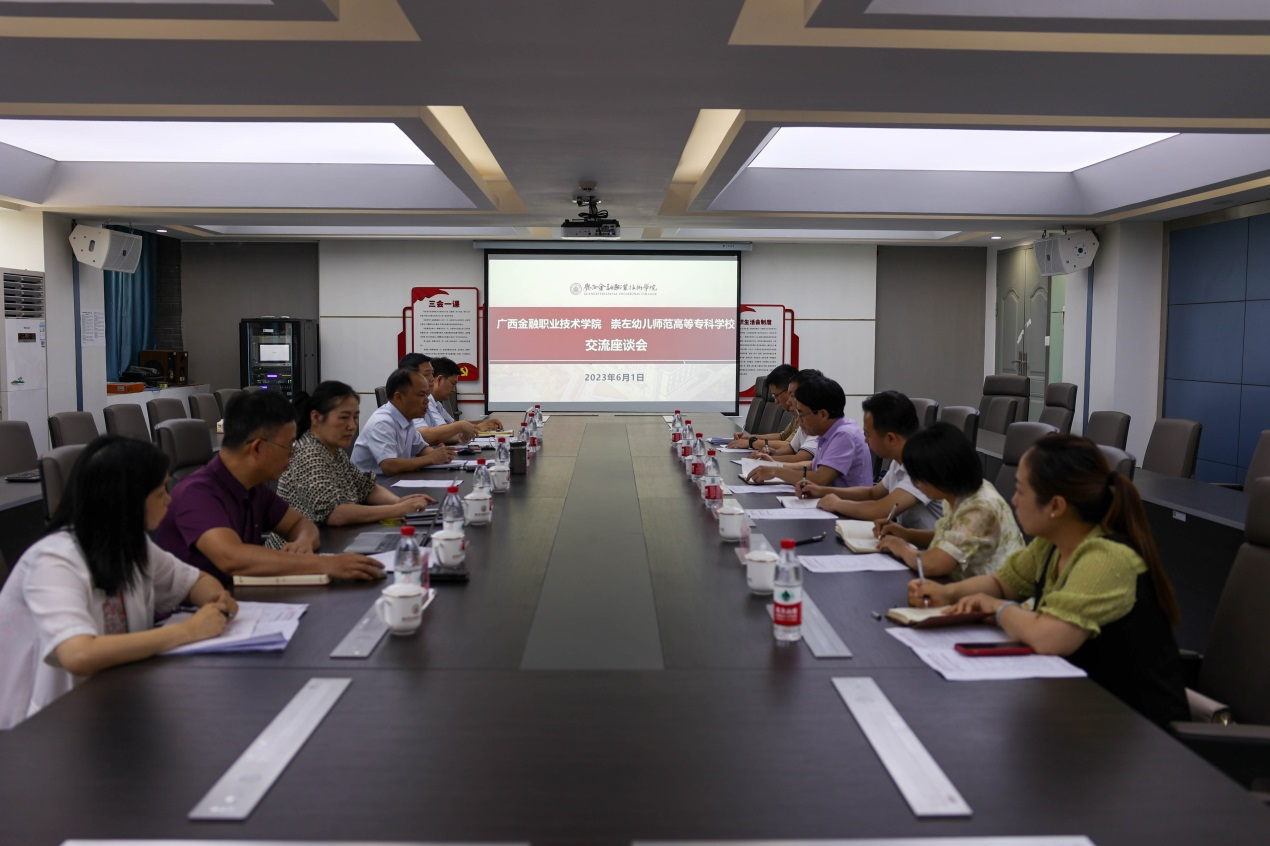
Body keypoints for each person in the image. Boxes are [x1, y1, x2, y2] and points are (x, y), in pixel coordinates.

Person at [910, 434, 1188, 726]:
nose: (1013, 500)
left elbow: (1050, 638)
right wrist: (948, 594)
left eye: (1020, 491)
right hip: (1081, 711)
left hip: (1138, 730)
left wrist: (997, 608)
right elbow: (1002, 584)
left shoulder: (1106, 558)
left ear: (1055, 506)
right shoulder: (1052, 545)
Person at [0, 436, 237, 729]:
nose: (168, 499)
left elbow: (195, 581)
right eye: (159, 491)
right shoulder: (53, 560)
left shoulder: (129, 543)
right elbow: (79, 654)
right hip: (37, 728)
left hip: (109, 703)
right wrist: (188, 630)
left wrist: (215, 599)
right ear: (128, 500)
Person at [154, 390, 386, 588]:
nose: (293, 454)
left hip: (242, 599)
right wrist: (325, 564)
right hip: (192, 614)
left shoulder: (254, 488)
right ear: (257, 448)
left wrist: (303, 542)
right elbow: (232, 558)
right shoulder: (196, 493)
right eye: (288, 446)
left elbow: (300, 524)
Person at [267, 380, 437, 546]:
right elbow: (336, 514)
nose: (352, 426)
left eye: (355, 417)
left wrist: (397, 501)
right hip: (294, 552)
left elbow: (366, 487)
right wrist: (397, 510)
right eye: (344, 418)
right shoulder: (308, 453)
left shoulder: (333, 450)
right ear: (316, 418)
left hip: (328, 541)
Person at [876, 422, 1023, 580]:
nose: (916, 484)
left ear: (941, 473)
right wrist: (907, 534)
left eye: (918, 478)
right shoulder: (957, 493)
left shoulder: (980, 508)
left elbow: (933, 564)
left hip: (991, 592)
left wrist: (901, 547)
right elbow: (951, 539)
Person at [800, 390, 943, 530]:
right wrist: (820, 491)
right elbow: (872, 493)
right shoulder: (900, 459)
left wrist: (836, 504)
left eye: (868, 434)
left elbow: (879, 510)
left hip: (932, 544)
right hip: (906, 538)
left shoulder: (922, 464)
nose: (865, 440)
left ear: (891, 438)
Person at [744, 374, 871, 488]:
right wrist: (774, 465)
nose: (799, 420)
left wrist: (776, 471)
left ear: (822, 414)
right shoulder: (828, 433)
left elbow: (820, 478)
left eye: (802, 414)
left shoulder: (844, 435)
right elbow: (812, 465)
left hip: (845, 505)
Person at [352, 367, 459, 474]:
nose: (427, 401)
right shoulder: (382, 422)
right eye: (421, 395)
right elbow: (389, 465)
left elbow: (422, 449)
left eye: (427, 395)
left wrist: (440, 454)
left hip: (394, 480)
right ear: (399, 397)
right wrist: (431, 458)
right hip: (372, 483)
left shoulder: (407, 419)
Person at [399, 352, 477, 446]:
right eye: (427, 374)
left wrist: (460, 437)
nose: (432, 379)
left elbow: (429, 439)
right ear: (409, 377)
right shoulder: (410, 405)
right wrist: (460, 426)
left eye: (432, 374)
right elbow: (425, 436)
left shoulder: (424, 400)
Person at [727, 364, 801, 452]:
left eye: (776, 395)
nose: (776, 401)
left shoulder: (805, 414)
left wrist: (751, 443)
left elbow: (789, 445)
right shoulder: (796, 414)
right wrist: (750, 437)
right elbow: (782, 436)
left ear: (789, 390)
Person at [425, 355, 504, 434]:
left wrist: (485, 423)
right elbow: (444, 432)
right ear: (439, 379)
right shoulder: (427, 402)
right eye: (453, 383)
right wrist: (479, 428)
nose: (454, 390)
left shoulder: (436, 403)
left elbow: (454, 424)